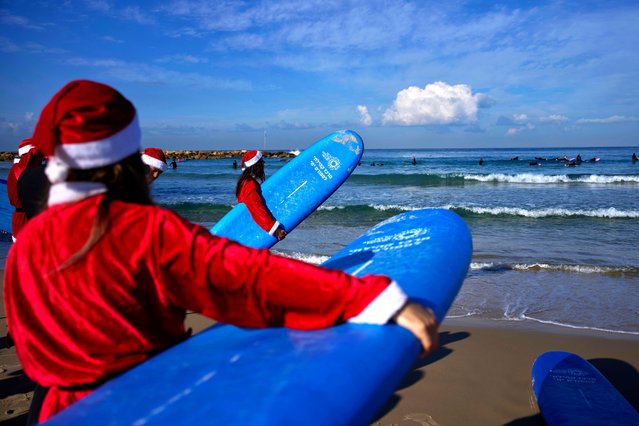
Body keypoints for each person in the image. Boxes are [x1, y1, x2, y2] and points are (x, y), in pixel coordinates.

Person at [4, 80, 439, 424]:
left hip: (56, 412)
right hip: (143, 404)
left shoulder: (29, 244)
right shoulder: (141, 231)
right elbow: (246, 278)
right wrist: (369, 297)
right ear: (124, 158)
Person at [236, 150, 287, 241]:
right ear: (256, 165)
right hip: (255, 230)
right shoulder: (250, 185)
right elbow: (257, 209)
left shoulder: (245, 182)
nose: (263, 163)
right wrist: (275, 230)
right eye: (261, 161)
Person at [6, 138, 45, 241]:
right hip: (25, 220)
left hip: (21, 219)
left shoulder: (16, 169)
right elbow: (33, 154)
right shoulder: (21, 168)